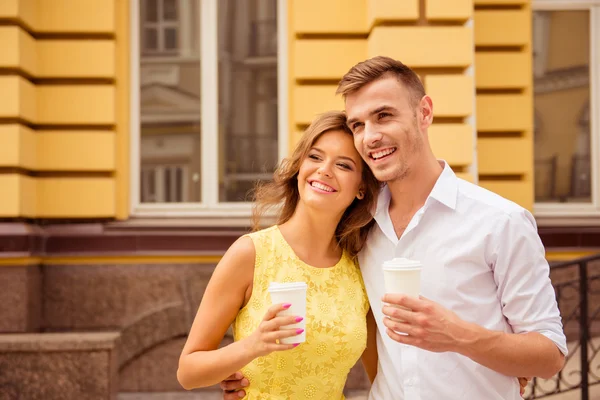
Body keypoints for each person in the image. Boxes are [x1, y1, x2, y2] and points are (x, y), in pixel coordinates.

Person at [220, 56, 566, 399]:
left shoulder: (500, 221)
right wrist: (251, 372)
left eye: (383, 116)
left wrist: (458, 336)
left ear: (424, 112)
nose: (370, 136)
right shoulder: (356, 226)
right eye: (357, 125)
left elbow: (550, 355)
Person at [177, 111, 381, 399]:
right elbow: (188, 371)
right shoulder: (250, 253)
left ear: (361, 188)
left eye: (344, 165)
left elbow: (381, 377)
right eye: (315, 157)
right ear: (299, 167)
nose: (324, 170)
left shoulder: (361, 270)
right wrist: (253, 345)